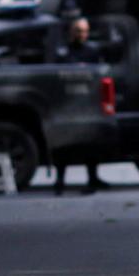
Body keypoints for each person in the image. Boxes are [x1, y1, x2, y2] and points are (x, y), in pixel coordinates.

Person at [53, 18, 109, 195]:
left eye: (85, 31)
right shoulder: (63, 52)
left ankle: (92, 179)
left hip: (87, 105)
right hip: (67, 105)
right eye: (78, 30)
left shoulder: (92, 51)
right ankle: (60, 181)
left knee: (89, 144)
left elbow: (99, 74)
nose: (82, 34)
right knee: (64, 145)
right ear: (72, 32)